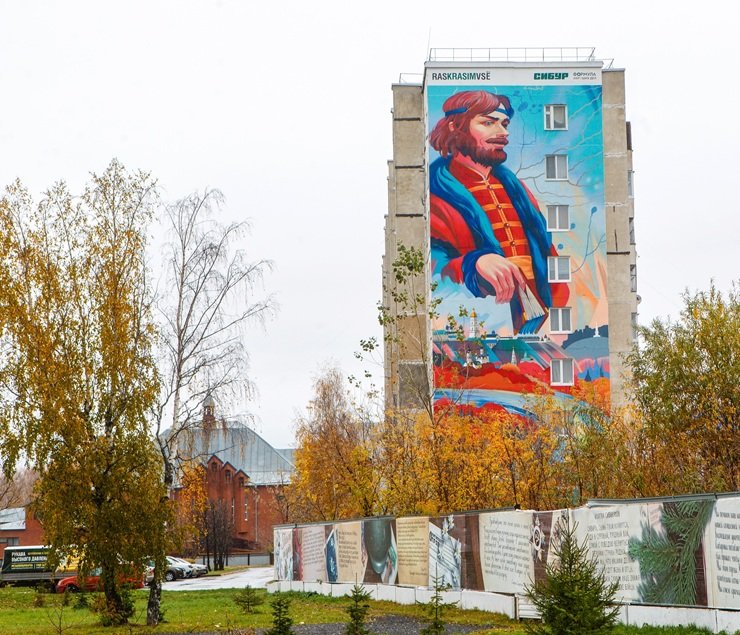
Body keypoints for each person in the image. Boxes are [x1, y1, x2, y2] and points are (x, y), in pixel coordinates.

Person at [429, 90, 568, 335]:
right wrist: (473, 264)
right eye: (488, 123)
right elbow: (433, 267)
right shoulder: (434, 194)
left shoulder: (515, 188)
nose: (503, 132)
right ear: (455, 126)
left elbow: (546, 252)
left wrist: (559, 309)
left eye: (504, 124)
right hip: (487, 322)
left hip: (537, 317)